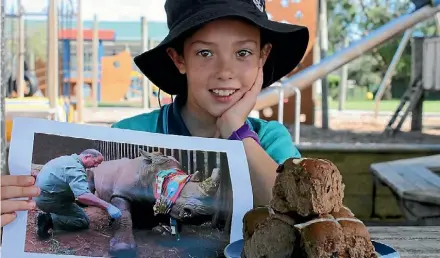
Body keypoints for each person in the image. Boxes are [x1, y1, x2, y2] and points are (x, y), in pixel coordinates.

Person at [1, 0, 309, 228]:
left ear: (262, 57)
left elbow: (303, 214)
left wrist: (237, 131)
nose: (226, 72)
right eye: (205, 53)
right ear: (179, 59)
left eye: (243, 53)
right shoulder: (130, 132)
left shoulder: (269, 139)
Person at [33, 149, 122, 239]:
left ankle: (51, 214)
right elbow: (83, 196)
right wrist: (108, 206)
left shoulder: (66, 159)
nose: (95, 166)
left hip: (39, 195)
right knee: (83, 221)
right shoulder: (76, 169)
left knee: (78, 207)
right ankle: (49, 220)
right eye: (96, 162)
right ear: (87, 157)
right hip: (49, 200)